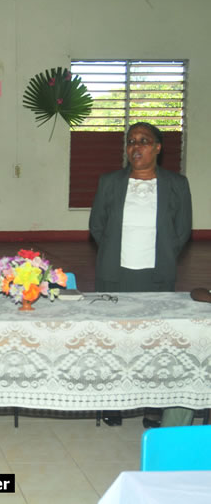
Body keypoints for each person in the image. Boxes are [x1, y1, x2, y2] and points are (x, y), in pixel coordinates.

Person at [89, 122, 192, 427]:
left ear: (158, 148)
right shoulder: (109, 182)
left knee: (154, 341)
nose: (136, 147)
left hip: (156, 275)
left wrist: (159, 255)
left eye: (144, 141)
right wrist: (112, 254)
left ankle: (153, 407)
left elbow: (182, 230)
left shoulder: (177, 184)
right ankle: (113, 403)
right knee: (114, 339)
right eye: (131, 141)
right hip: (114, 273)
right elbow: (97, 226)